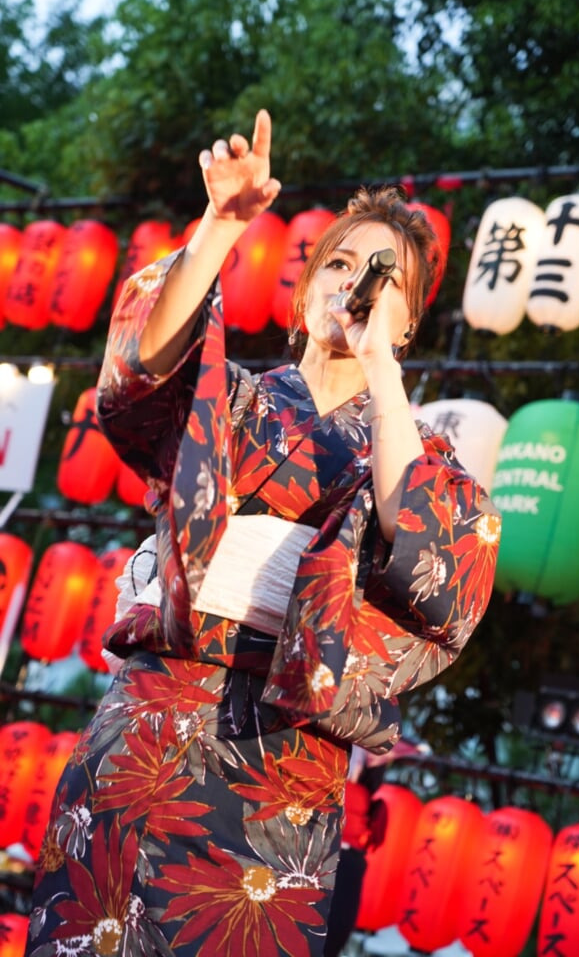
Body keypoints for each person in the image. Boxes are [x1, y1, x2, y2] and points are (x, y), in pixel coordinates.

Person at [24, 109, 501, 957]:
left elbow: (436, 569)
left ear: (410, 321)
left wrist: (380, 366)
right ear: (302, 287)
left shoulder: (415, 450)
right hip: (148, 728)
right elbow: (137, 378)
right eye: (339, 264)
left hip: (279, 764)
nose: (356, 284)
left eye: (384, 278)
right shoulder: (234, 398)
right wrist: (219, 225)